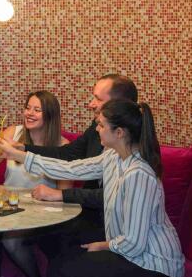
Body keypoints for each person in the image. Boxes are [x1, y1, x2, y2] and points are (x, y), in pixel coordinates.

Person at [0, 99, 184, 277]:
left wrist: (104, 245)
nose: (96, 129)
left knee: (63, 269)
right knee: (62, 252)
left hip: (153, 263)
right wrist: (21, 155)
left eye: (101, 125)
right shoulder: (113, 157)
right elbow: (71, 168)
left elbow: (134, 244)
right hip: (132, 252)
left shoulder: (138, 174)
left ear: (119, 132)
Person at [0, 91, 71, 277]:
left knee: (12, 241)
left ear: (50, 115)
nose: (29, 113)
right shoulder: (13, 133)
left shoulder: (62, 145)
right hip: (6, 205)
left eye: (37, 110)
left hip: (40, 210)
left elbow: (65, 191)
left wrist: (50, 196)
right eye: (28, 107)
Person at [18, 74, 138, 248]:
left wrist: (60, 195)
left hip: (115, 229)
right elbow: (70, 161)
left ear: (119, 105)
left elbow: (112, 196)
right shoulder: (101, 135)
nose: (91, 104)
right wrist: (22, 149)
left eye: (98, 99)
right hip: (90, 216)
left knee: (53, 244)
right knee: (37, 237)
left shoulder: (137, 158)